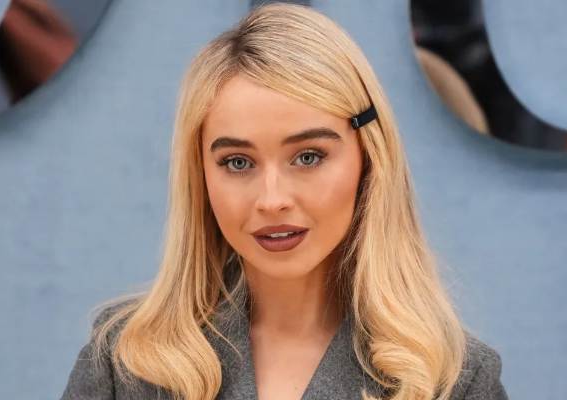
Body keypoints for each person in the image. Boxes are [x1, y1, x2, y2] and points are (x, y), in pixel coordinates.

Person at [60, 3, 509, 399]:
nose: (272, 200)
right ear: (200, 176)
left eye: (308, 157)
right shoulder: (124, 363)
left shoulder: (455, 382)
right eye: (238, 162)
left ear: (369, 159)